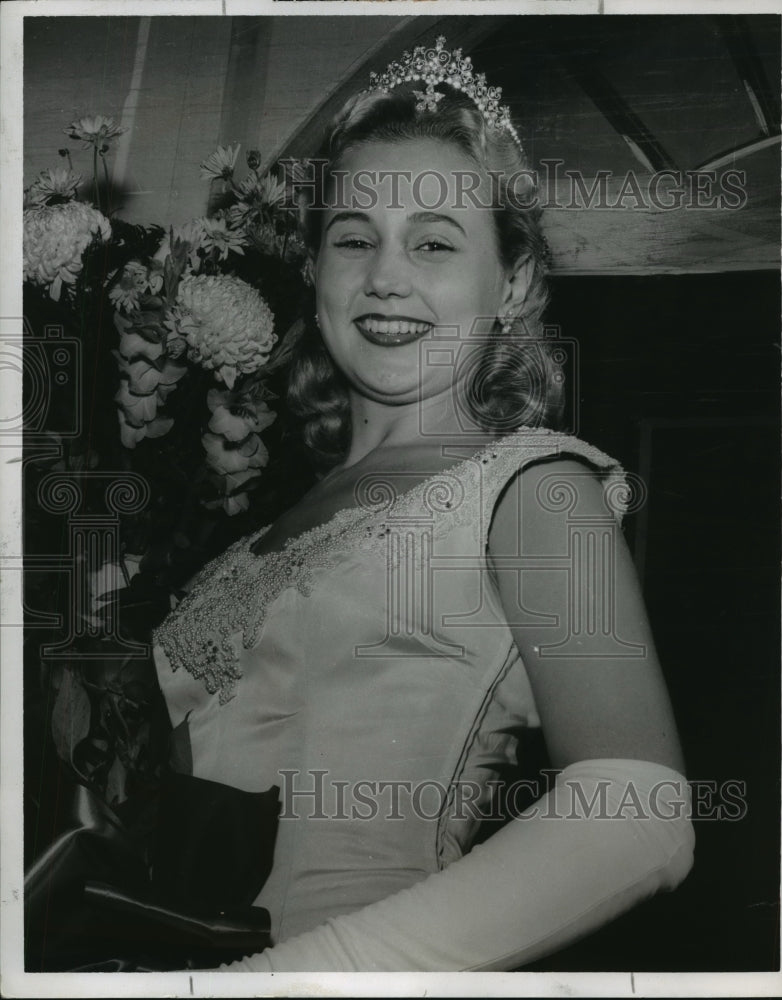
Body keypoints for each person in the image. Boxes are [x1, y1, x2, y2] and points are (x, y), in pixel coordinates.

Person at [152, 37, 694, 972]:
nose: (385, 277)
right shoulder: (260, 527)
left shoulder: (538, 488)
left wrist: (285, 982)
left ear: (512, 283)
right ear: (315, 269)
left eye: (435, 243)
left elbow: (638, 817)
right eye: (354, 238)